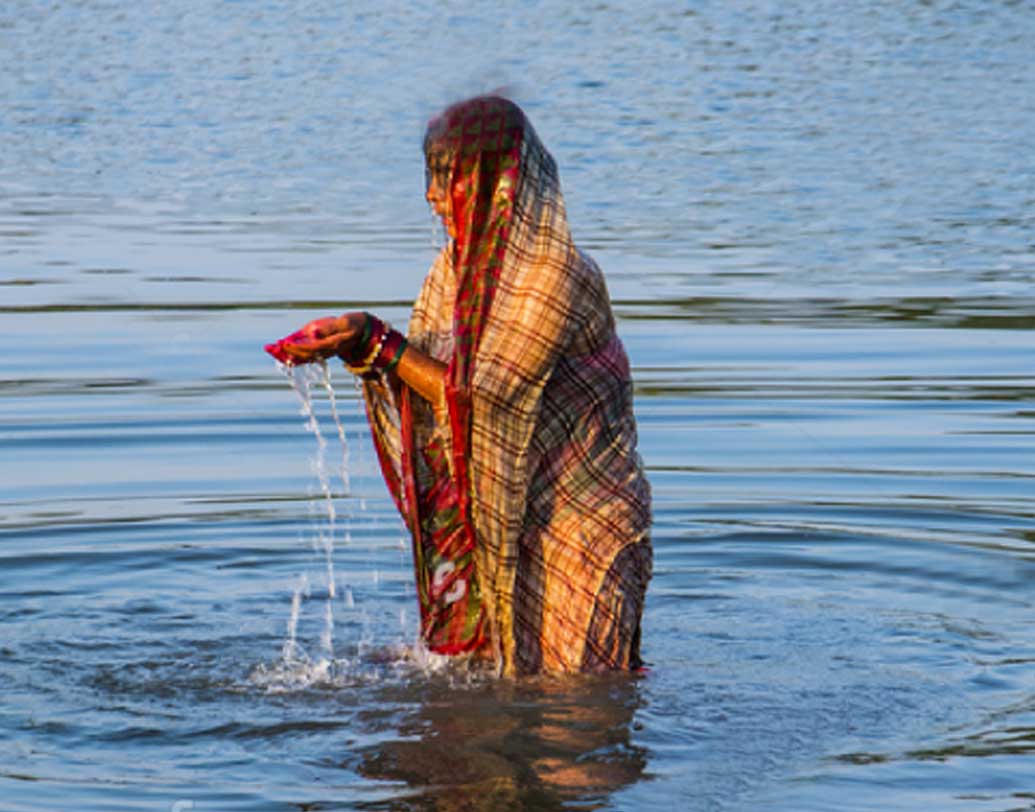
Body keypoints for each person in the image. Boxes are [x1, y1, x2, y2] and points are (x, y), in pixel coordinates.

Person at [266, 96, 650, 676]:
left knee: (578, 710)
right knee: (496, 690)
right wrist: (358, 346)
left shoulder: (556, 274)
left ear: (501, 185)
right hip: (506, 520)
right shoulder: (451, 274)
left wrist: (377, 341)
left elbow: (487, 400)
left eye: (448, 179)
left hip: (580, 526)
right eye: (430, 178)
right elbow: (430, 397)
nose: (431, 196)